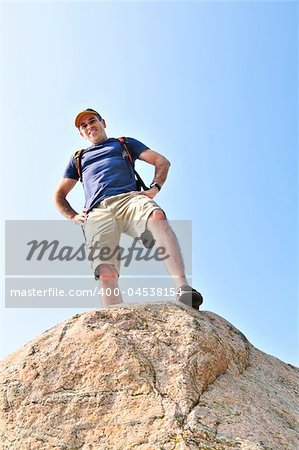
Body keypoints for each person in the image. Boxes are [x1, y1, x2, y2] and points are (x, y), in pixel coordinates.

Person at [53, 108, 203, 309]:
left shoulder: (123, 143)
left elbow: (162, 161)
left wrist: (154, 188)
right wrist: (73, 216)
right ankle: (115, 319)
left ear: (103, 122)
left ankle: (183, 288)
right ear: (81, 133)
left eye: (92, 121)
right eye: (84, 126)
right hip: (98, 211)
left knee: (156, 216)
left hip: (128, 199)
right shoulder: (78, 158)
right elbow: (59, 195)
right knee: (105, 271)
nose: (89, 126)